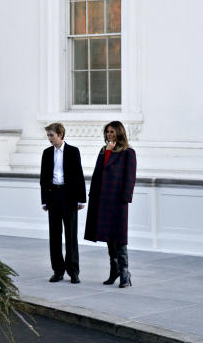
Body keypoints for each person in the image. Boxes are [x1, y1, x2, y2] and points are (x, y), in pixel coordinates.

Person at [84, 120, 137, 288]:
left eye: (112, 132)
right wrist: (106, 153)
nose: (109, 134)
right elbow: (98, 172)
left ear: (119, 133)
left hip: (118, 200)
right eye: (107, 131)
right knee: (108, 236)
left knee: (119, 237)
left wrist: (126, 197)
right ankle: (114, 270)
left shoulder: (128, 152)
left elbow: (130, 177)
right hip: (102, 199)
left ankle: (125, 273)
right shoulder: (104, 151)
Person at [39, 122, 86, 284]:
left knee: (71, 235)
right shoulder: (46, 153)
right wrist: (44, 200)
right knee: (54, 235)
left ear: (60, 135)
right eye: (48, 135)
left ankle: (73, 271)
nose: (49, 138)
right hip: (53, 197)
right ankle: (58, 271)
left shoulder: (73, 151)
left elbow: (79, 176)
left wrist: (81, 199)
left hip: (70, 197)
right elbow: (43, 179)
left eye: (51, 135)